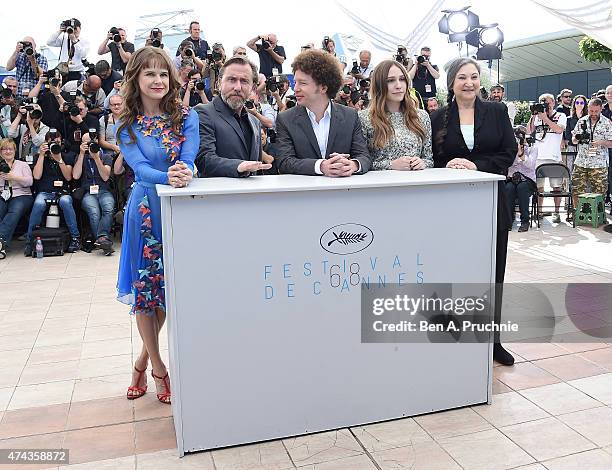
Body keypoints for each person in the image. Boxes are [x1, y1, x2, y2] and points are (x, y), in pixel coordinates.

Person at [116, 46, 198, 405]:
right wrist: (169, 174)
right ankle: (159, 367)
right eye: (149, 73)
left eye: (164, 73)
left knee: (170, 292)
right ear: (136, 78)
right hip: (145, 209)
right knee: (146, 291)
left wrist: (185, 170)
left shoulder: (186, 117)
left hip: (178, 209)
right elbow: (140, 169)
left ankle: (140, 360)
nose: (158, 80)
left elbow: (189, 156)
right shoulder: (127, 127)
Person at [431, 57, 517, 366]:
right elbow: (435, 160)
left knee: (494, 271)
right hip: (453, 208)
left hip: (492, 202)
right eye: (462, 78)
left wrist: (475, 166)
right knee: (455, 270)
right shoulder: (438, 117)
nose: (469, 83)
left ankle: (493, 341)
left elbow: (508, 152)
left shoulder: (497, 111)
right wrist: (450, 165)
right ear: (451, 83)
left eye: (474, 77)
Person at [275, 50, 371, 176]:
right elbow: (284, 162)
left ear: (323, 88)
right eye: (295, 82)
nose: (296, 88)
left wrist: (352, 165)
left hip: (344, 192)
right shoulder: (285, 119)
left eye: (303, 83)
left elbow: (364, 156)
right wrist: (320, 166)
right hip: (304, 193)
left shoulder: (350, 116)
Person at [195, 56, 270, 177]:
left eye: (244, 81)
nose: (237, 88)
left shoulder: (255, 122)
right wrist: (238, 167)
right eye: (232, 80)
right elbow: (204, 160)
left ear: (253, 88)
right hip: (217, 194)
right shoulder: (203, 113)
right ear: (219, 83)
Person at [359, 60, 433, 171]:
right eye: (390, 81)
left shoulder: (421, 116)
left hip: (416, 184)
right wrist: (390, 165)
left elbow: (429, 159)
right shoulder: (364, 118)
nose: (398, 85)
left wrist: (422, 163)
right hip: (380, 185)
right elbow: (361, 162)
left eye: (402, 79)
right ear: (379, 85)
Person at [25, 131, 81, 254]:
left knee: (66, 202)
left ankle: (75, 238)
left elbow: (68, 177)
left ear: (61, 142)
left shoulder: (68, 156)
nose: (54, 145)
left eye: (57, 142)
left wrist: (59, 160)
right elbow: (37, 176)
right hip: (45, 191)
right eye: (52, 143)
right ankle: (30, 241)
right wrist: (40, 155)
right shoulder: (40, 157)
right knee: (39, 204)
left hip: (63, 191)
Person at [526, 93, 567, 223]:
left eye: (547, 103)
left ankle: (556, 212)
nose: (545, 105)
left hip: (553, 157)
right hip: (538, 157)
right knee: (539, 188)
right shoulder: (537, 117)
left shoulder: (561, 115)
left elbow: (559, 130)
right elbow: (528, 131)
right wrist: (533, 115)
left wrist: (545, 118)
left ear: (553, 103)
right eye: (542, 102)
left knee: (556, 187)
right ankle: (539, 211)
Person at [72, 132, 115, 255]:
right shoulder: (80, 157)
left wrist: (96, 158)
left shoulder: (105, 156)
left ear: (96, 141)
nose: (89, 145)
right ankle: (103, 239)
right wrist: (81, 154)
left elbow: (106, 177)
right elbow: (75, 175)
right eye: (86, 143)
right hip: (88, 192)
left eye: (91, 142)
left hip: (103, 190)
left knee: (108, 208)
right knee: (94, 211)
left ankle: (101, 238)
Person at [570, 98, 612, 210]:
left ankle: (598, 215)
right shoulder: (582, 121)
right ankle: (577, 213)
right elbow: (574, 139)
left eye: (596, 111)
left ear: (601, 109)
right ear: (588, 108)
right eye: (591, 111)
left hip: (598, 163)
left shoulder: (607, 123)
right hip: (581, 161)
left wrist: (601, 142)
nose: (593, 114)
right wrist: (576, 139)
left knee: (600, 190)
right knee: (576, 188)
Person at [0, 138, 33, 255]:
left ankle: (1, 241)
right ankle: (2, 245)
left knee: (15, 210)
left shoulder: (22, 165)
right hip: (3, 195)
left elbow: (29, 182)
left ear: (14, 151)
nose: (7, 151)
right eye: (4, 149)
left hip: (22, 194)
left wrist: (13, 177)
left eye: (10, 149)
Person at [505, 127, 538, 232]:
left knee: (522, 187)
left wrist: (522, 154)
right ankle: (508, 221)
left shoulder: (533, 148)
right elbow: (508, 165)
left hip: (528, 180)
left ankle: (525, 221)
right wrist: (515, 152)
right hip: (512, 178)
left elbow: (531, 165)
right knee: (509, 188)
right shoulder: (510, 148)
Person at [563, 95, 588, 173]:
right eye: (577, 102)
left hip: (585, 147)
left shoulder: (588, 118)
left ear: (585, 105)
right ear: (574, 104)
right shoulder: (569, 119)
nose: (579, 104)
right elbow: (567, 135)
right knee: (570, 169)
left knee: (584, 170)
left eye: (581, 102)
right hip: (572, 146)